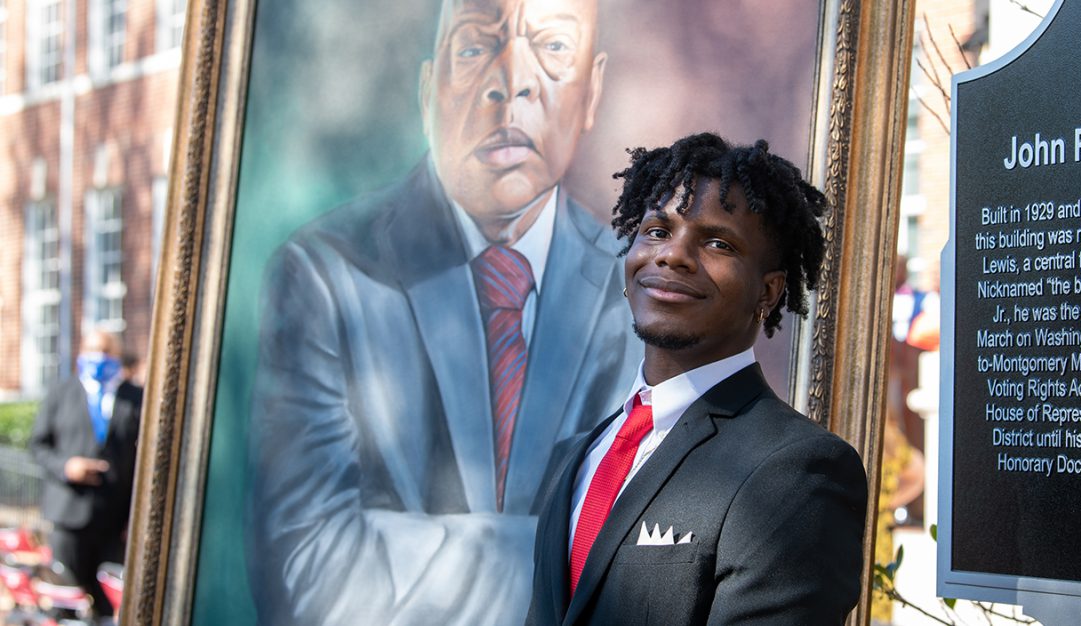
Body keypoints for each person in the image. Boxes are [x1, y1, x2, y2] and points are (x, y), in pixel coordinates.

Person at [246, 0, 638, 624]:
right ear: (429, 92)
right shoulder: (325, 275)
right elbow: (310, 568)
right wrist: (563, 560)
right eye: (476, 47)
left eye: (554, 48)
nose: (514, 81)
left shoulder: (634, 295)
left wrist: (398, 551)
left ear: (590, 94)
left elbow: (651, 568)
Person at [527, 133, 869, 625]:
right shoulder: (579, 455)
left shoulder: (799, 472)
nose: (673, 255)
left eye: (716, 242)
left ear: (769, 292)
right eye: (657, 231)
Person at [29, 329, 142, 624]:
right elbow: (38, 445)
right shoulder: (61, 393)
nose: (99, 358)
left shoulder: (136, 397)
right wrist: (66, 467)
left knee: (110, 600)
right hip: (69, 515)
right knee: (65, 598)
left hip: (114, 519)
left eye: (106, 351)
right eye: (93, 350)